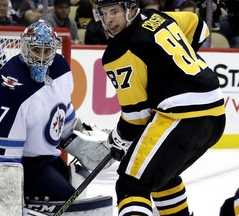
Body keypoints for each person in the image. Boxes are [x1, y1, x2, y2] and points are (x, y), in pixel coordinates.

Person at [93, 0, 226, 215]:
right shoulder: (156, 17)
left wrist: (118, 139)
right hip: (215, 114)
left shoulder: (119, 50)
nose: (108, 20)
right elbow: (199, 26)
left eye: (114, 12)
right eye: (104, 13)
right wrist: (169, 66)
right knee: (161, 176)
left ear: (130, 9)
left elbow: (136, 116)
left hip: (181, 116)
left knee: (131, 184)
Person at [0, 20, 110, 201]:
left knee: (79, 181)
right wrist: (8, 193)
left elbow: (63, 116)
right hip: (23, 165)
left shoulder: (61, 67)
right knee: (70, 202)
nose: (41, 58)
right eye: (36, 50)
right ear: (25, 47)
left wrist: (82, 140)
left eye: (47, 51)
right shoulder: (11, 86)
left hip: (47, 158)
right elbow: (0, 156)